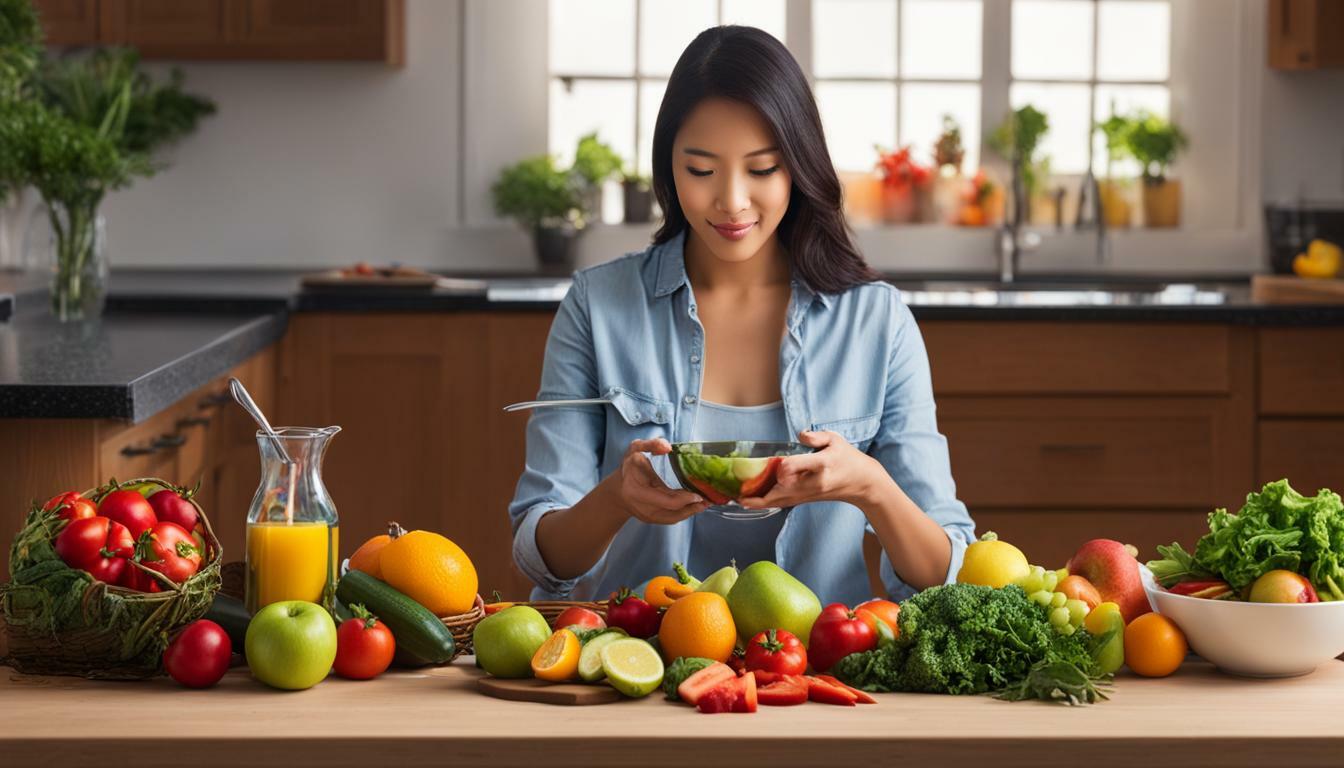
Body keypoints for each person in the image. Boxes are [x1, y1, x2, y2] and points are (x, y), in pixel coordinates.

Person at [509, 25, 974, 605]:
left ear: (799, 168)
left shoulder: (875, 321)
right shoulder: (597, 306)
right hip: (635, 667)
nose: (731, 200)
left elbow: (944, 573)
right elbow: (543, 556)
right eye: (701, 171)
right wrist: (617, 499)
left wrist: (871, 488)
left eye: (761, 170)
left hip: (821, 672)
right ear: (668, 167)